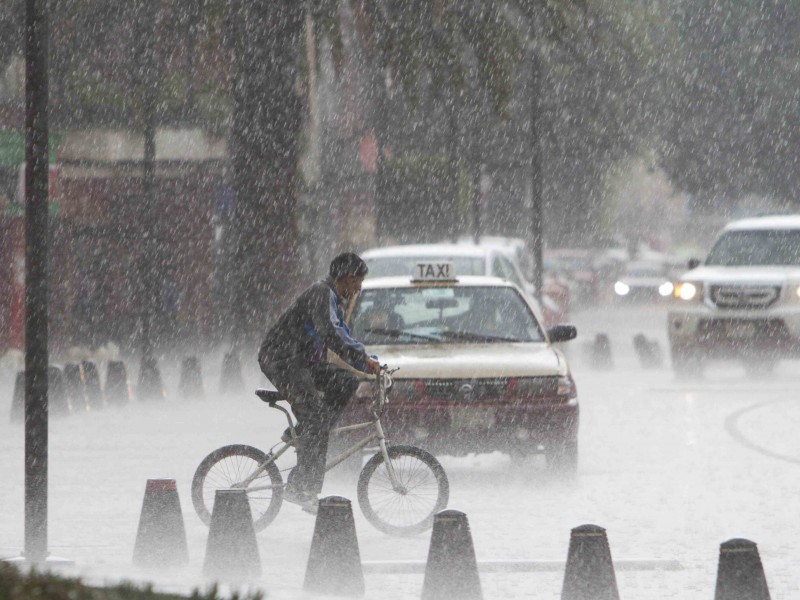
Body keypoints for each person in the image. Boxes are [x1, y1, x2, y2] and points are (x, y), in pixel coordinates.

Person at [258, 252, 380, 513]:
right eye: (358, 282)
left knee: (346, 382)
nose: (359, 288)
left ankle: (306, 431)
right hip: (284, 360)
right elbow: (331, 332)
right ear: (348, 278)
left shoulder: (334, 299)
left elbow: (343, 333)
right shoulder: (321, 293)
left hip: (305, 362)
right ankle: (302, 487)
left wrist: (364, 360)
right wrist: (361, 359)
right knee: (316, 418)